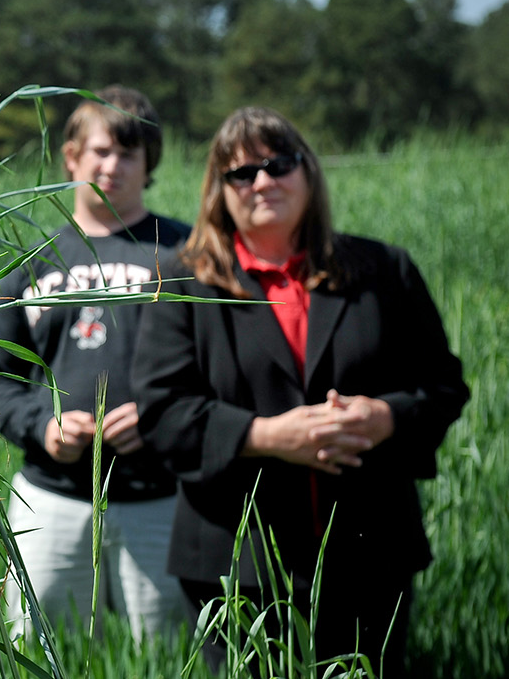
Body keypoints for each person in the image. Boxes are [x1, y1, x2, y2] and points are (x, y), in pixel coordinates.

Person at [132, 106, 469, 674]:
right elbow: (161, 413)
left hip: (370, 552)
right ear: (220, 191)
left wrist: (385, 417)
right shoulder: (182, 283)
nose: (262, 181)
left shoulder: (384, 269)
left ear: (308, 171)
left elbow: (443, 386)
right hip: (236, 564)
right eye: (241, 173)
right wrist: (264, 435)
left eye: (278, 163)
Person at [0, 86, 188, 639]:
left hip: (161, 498)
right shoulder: (27, 263)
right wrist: (42, 427)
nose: (112, 165)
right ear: (71, 156)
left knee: (167, 656)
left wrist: (163, 417)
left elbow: (222, 371)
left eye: (128, 153)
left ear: (149, 165)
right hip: (51, 499)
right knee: (41, 651)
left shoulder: (187, 255)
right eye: (99, 151)